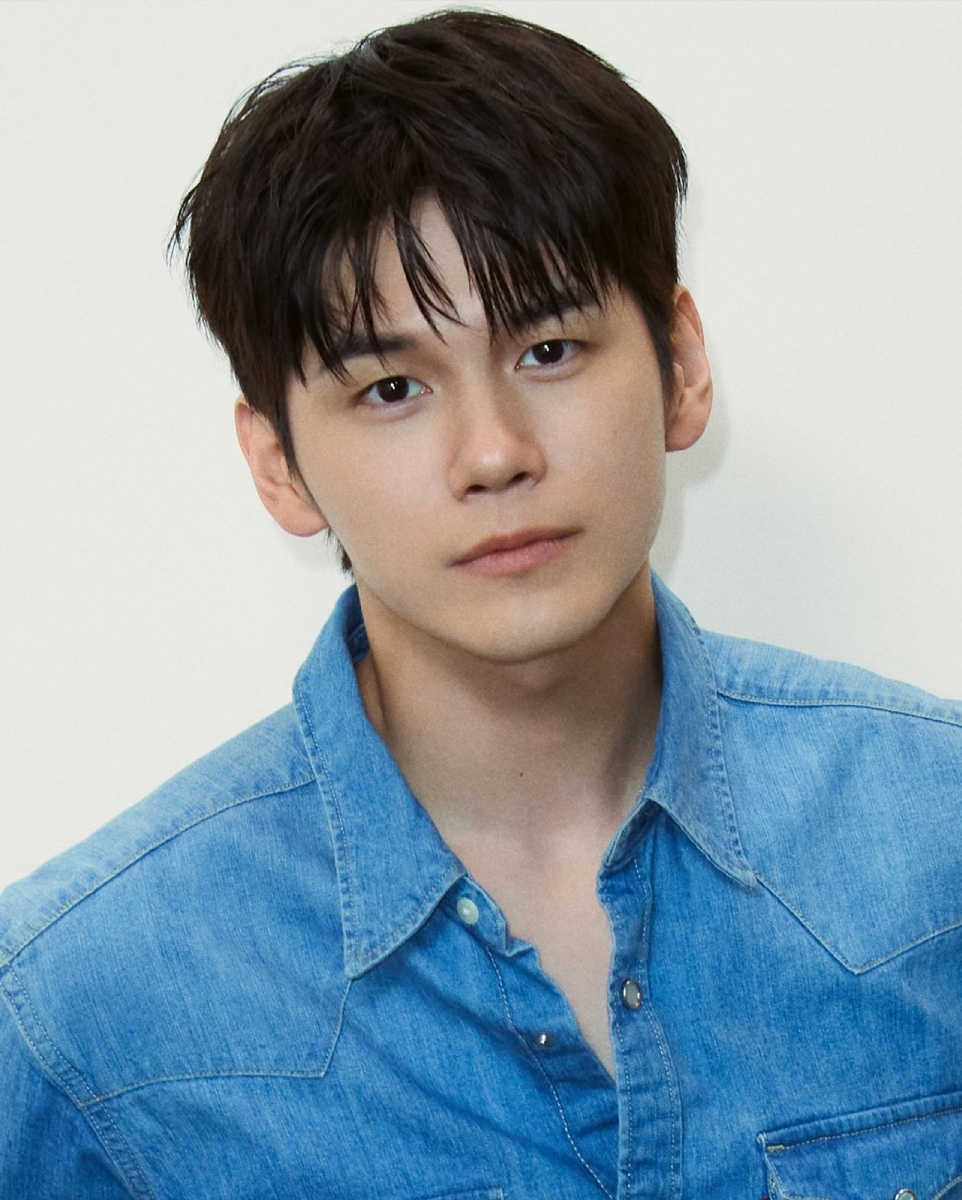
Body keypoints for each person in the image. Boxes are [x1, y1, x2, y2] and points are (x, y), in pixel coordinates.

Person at [1, 9, 960, 1197]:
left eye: (548, 349)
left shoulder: (937, 834)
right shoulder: (83, 1010)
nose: (494, 453)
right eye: (391, 388)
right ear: (278, 463)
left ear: (678, 362)